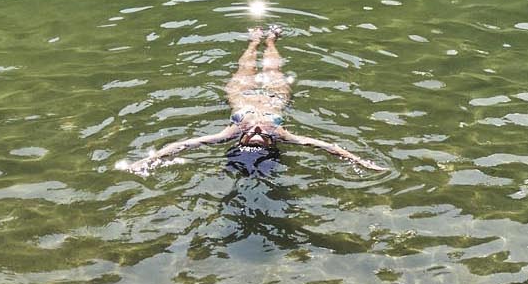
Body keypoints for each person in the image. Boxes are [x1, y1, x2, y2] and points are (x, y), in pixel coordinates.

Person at [122, 21, 391, 180]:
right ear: (271, 141)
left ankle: (254, 41)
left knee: (247, 66)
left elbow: (184, 144)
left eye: (253, 137)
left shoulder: (231, 131)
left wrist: (147, 161)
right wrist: (359, 161)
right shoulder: (281, 133)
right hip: (275, 97)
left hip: (240, 96)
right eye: (261, 137)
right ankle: (271, 41)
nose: (257, 131)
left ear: (242, 140)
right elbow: (323, 145)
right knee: (273, 69)